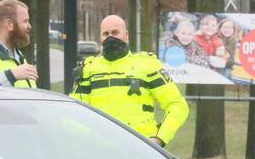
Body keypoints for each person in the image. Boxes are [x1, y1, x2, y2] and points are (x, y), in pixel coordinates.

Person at [71, 15, 189, 147]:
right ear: (100, 37)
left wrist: (159, 139)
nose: (110, 37)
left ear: (126, 35)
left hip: (141, 150)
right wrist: (86, 141)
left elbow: (177, 105)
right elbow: (77, 114)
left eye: (115, 32)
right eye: (106, 33)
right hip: (100, 153)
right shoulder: (88, 69)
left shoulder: (147, 65)